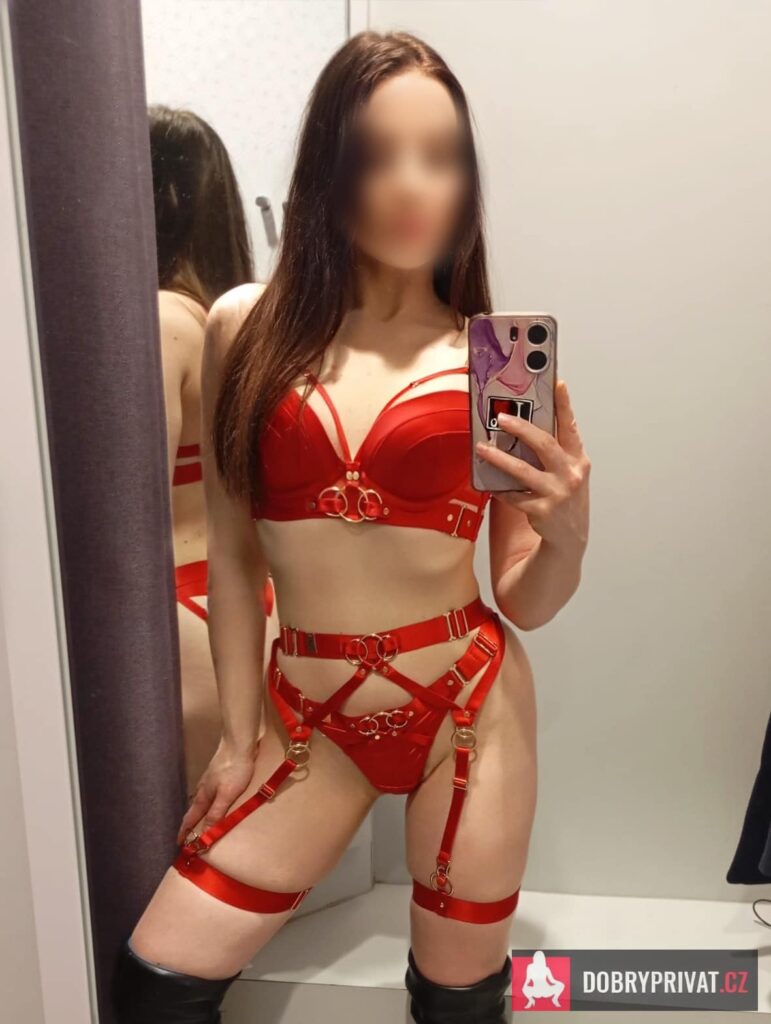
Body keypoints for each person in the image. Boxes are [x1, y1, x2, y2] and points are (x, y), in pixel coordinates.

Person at [112, 31, 590, 1024]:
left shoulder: (499, 362)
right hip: (305, 721)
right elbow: (234, 556)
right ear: (329, 169)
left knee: (457, 1004)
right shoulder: (244, 324)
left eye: (441, 155)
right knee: (158, 981)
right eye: (378, 155)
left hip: (468, 709)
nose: (413, 184)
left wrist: (570, 534)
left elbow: (526, 599)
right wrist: (236, 737)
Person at [149, 104, 277, 794]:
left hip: (182, 612)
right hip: (245, 603)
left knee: (189, 838)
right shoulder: (234, 327)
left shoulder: (163, 320)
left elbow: (131, 506)